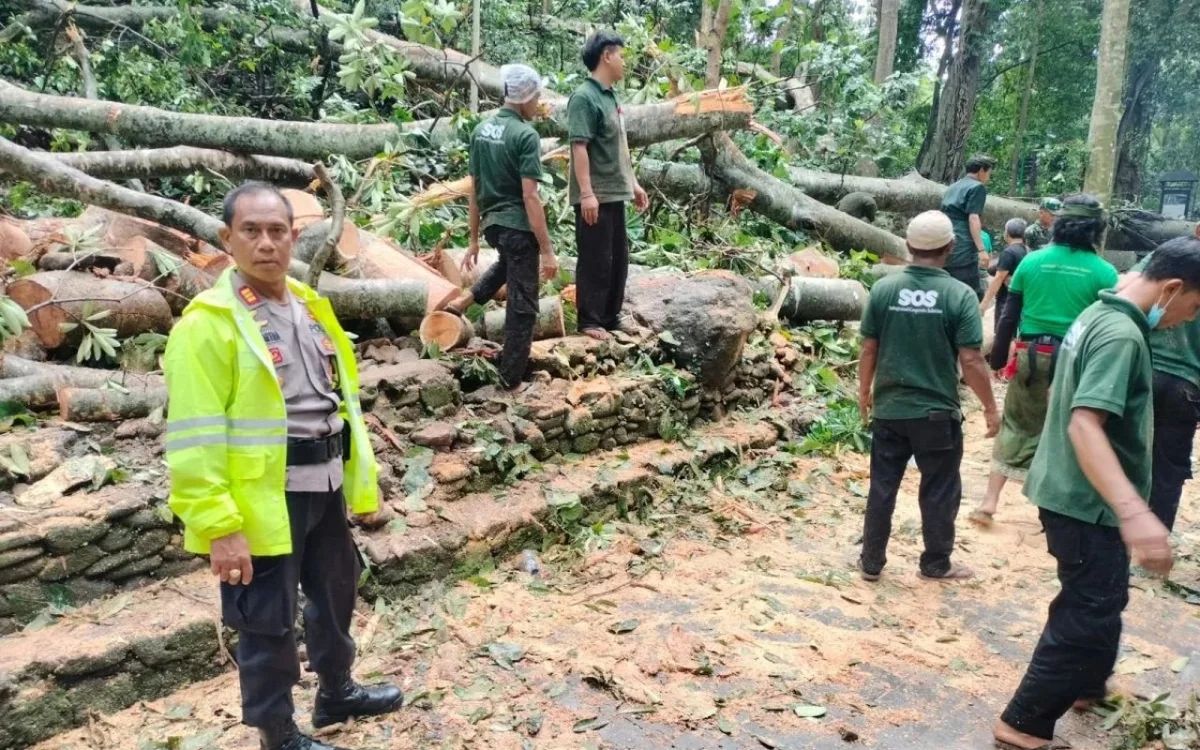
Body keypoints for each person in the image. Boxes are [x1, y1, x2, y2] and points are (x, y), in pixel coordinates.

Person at [163, 183, 401, 750]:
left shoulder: (307, 304)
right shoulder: (207, 325)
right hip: (262, 499)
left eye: (278, 231)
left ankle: (336, 691)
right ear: (227, 239)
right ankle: (276, 733)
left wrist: (358, 483)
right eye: (251, 231)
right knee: (265, 621)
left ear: (295, 237)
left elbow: (338, 402)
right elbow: (194, 438)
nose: (266, 243)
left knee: (337, 594)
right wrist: (220, 526)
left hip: (325, 483)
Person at [992, 239, 1200, 750]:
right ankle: (1023, 723)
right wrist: (1135, 512)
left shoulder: (1097, 310)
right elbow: (1085, 424)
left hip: (1067, 487)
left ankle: (1085, 685)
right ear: (1172, 289)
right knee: (1090, 605)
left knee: (1100, 595)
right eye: (1195, 307)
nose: (1187, 320)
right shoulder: (1123, 335)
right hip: (1085, 499)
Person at [857, 211, 1000, 583]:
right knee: (939, 489)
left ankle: (871, 561)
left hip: (890, 410)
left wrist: (864, 393)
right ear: (950, 247)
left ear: (908, 247)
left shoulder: (884, 290)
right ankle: (935, 563)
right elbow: (970, 358)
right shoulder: (959, 294)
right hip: (937, 414)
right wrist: (989, 407)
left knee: (882, 486)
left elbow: (869, 348)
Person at [970, 194, 1118, 526]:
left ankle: (989, 503)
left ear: (1059, 225)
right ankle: (1051, 514)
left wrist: (996, 361)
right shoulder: (1105, 273)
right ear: (1095, 230)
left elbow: (1008, 317)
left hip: (1030, 356)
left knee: (1017, 425)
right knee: (1068, 431)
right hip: (1076, 361)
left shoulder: (1032, 262)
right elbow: (1109, 326)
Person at [439, 64, 558, 390]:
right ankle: (510, 381)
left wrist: (475, 238)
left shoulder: (481, 131)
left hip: (493, 225)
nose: (539, 104)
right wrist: (547, 250)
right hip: (518, 228)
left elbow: (474, 189)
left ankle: (465, 300)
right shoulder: (525, 135)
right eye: (538, 97)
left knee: (507, 264)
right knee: (524, 307)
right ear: (526, 97)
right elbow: (530, 196)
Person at [568, 31, 649, 341]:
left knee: (618, 257)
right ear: (606, 56)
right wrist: (586, 193)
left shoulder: (611, 96)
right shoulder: (584, 97)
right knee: (595, 258)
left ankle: (611, 316)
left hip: (616, 192)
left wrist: (635, 183)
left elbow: (621, 148)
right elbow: (579, 147)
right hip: (596, 195)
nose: (624, 61)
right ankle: (589, 320)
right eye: (621, 55)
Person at [1120, 236, 1200, 531]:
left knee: (1125, 448)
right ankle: (1154, 536)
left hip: (1143, 367)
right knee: (1168, 468)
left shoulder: (1168, 257)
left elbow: (1124, 285)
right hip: (1187, 384)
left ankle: (1119, 529)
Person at [940, 154, 996, 299]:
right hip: (963, 247)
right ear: (981, 171)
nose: (988, 177)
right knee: (970, 293)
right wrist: (982, 249)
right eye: (989, 173)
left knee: (947, 288)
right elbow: (973, 218)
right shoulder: (977, 188)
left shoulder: (953, 187)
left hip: (945, 242)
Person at [980, 218, 1029, 327]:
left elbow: (998, 279)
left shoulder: (1009, 252)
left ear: (1007, 233)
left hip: (1006, 301)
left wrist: (984, 303)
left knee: (1001, 335)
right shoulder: (1027, 251)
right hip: (1022, 301)